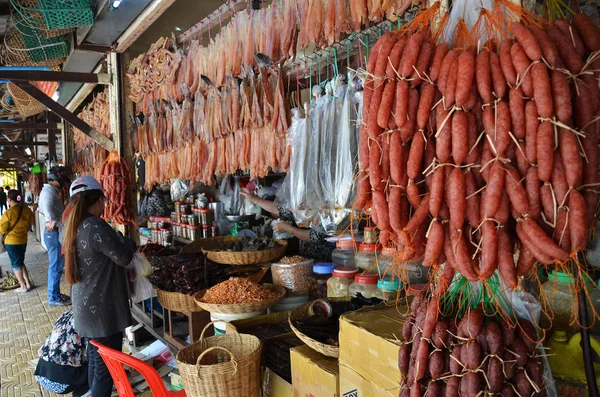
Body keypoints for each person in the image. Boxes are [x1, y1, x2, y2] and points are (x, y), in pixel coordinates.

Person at [64, 176, 136, 397]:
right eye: (103, 200)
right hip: (102, 311)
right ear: (94, 201)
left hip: (86, 308)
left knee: (96, 363)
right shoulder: (94, 226)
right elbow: (123, 256)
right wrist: (129, 240)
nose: (105, 205)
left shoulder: (72, 225)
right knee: (105, 371)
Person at [241, 188, 335, 262]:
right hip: (306, 258)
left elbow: (314, 236)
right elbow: (279, 210)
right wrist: (253, 198)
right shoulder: (305, 207)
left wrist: (289, 229)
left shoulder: (330, 211)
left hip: (326, 261)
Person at [34, 310, 89, 396]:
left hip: (42, 374)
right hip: (61, 383)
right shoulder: (90, 321)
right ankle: (83, 392)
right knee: (100, 366)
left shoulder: (68, 313)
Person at [39, 166, 71, 306]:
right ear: (58, 178)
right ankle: (54, 297)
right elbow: (46, 206)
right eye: (63, 180)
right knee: (56, 266)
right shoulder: (48, 191)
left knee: (56, 265)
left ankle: (55, 295)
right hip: (53, 233)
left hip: (54, 232)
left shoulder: (50, 190)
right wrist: (52, 220)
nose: (64, 183)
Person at [0, 190, 35, 292]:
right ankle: (28, 283)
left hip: (11, 242)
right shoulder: (27, 210)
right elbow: (31, 222)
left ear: (10, 200)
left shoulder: (8, 213)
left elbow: (2, 229)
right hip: (23, 240)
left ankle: (23, 286)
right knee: (20, 262)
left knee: (16, 264)